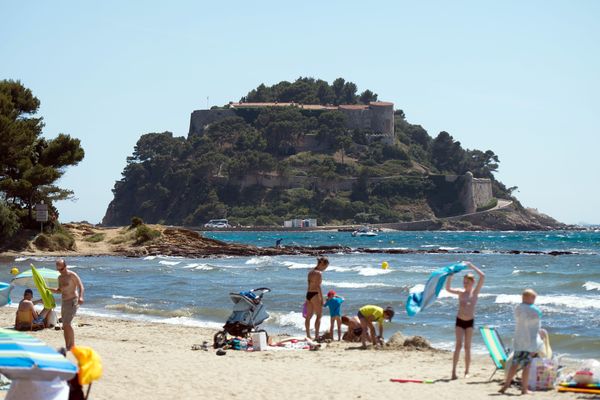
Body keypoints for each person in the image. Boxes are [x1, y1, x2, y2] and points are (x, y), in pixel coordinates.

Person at [445, 261, 485, 379]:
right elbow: (447, 288)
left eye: (467, 282)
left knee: (468, 347)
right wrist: (450, 276)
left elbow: (482, 276)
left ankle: (467, 372)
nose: (464, 284)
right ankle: (453, 372)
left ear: (472, 283)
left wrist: (471, 266)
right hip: (460, 321)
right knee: (458, 346)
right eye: (464, 282)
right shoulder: (460, 293)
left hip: (470, 322)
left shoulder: (475, 292)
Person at [499, 289, 543, 395]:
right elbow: (538, 316)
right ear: (527, 298)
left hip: (519, 342)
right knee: (526, 366)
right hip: (528, 343)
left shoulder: (518, 308)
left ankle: (506, 385)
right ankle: (524, 389)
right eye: (533, 298)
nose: (534, 301)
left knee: (514, 365)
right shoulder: (532, 310)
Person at [49, 259, 85, 350]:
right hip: (64, 302)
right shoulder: (60, 278)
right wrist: (49, 289)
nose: (61, 271)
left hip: (73, 300)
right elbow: (60, 291)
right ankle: (67, 345)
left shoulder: (72, 275)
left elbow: (81, 286)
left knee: (68, 323)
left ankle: (72, 345)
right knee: (65, 325)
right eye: (59, 270)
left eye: (62, 269)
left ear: (65, 266)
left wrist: (81, 297)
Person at [304, 256, 329, 340]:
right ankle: (316, 336)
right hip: (315, 294)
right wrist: (321, 298)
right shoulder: (319, 273)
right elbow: (318, 286)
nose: (325, 269)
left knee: (308, 317)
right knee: (319, 315)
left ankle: (308, 335)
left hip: (309, 294)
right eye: (325, 267)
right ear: (322, 264)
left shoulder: (310, 272)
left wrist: (307, 298)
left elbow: (309, 285)